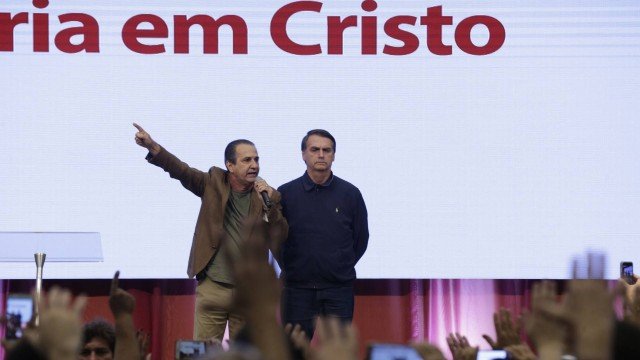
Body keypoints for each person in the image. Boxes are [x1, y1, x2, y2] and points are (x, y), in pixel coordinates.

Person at [133, 123, 288, 341]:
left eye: (256, 159)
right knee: (204, 351)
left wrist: (269, 205)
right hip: (213, 285)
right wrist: (152, 146)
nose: (254, 165)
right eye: (247, 160)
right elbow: (181, 170)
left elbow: (280, 236)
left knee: (246, 353)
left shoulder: (268, 196)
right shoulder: (213, 182)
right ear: (230, 165)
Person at [277, 129, 369, 340]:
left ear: (334, 155)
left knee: (338, 353)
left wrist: (338, 264)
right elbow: (276, 240)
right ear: (303, 154)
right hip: (297, 290)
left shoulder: (350, 194)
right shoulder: (285, 194)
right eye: (315, 149)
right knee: (293, 354)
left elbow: (360, 239)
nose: (321, 155)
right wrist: (293, 266)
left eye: (327, 150)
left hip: (338, 290)